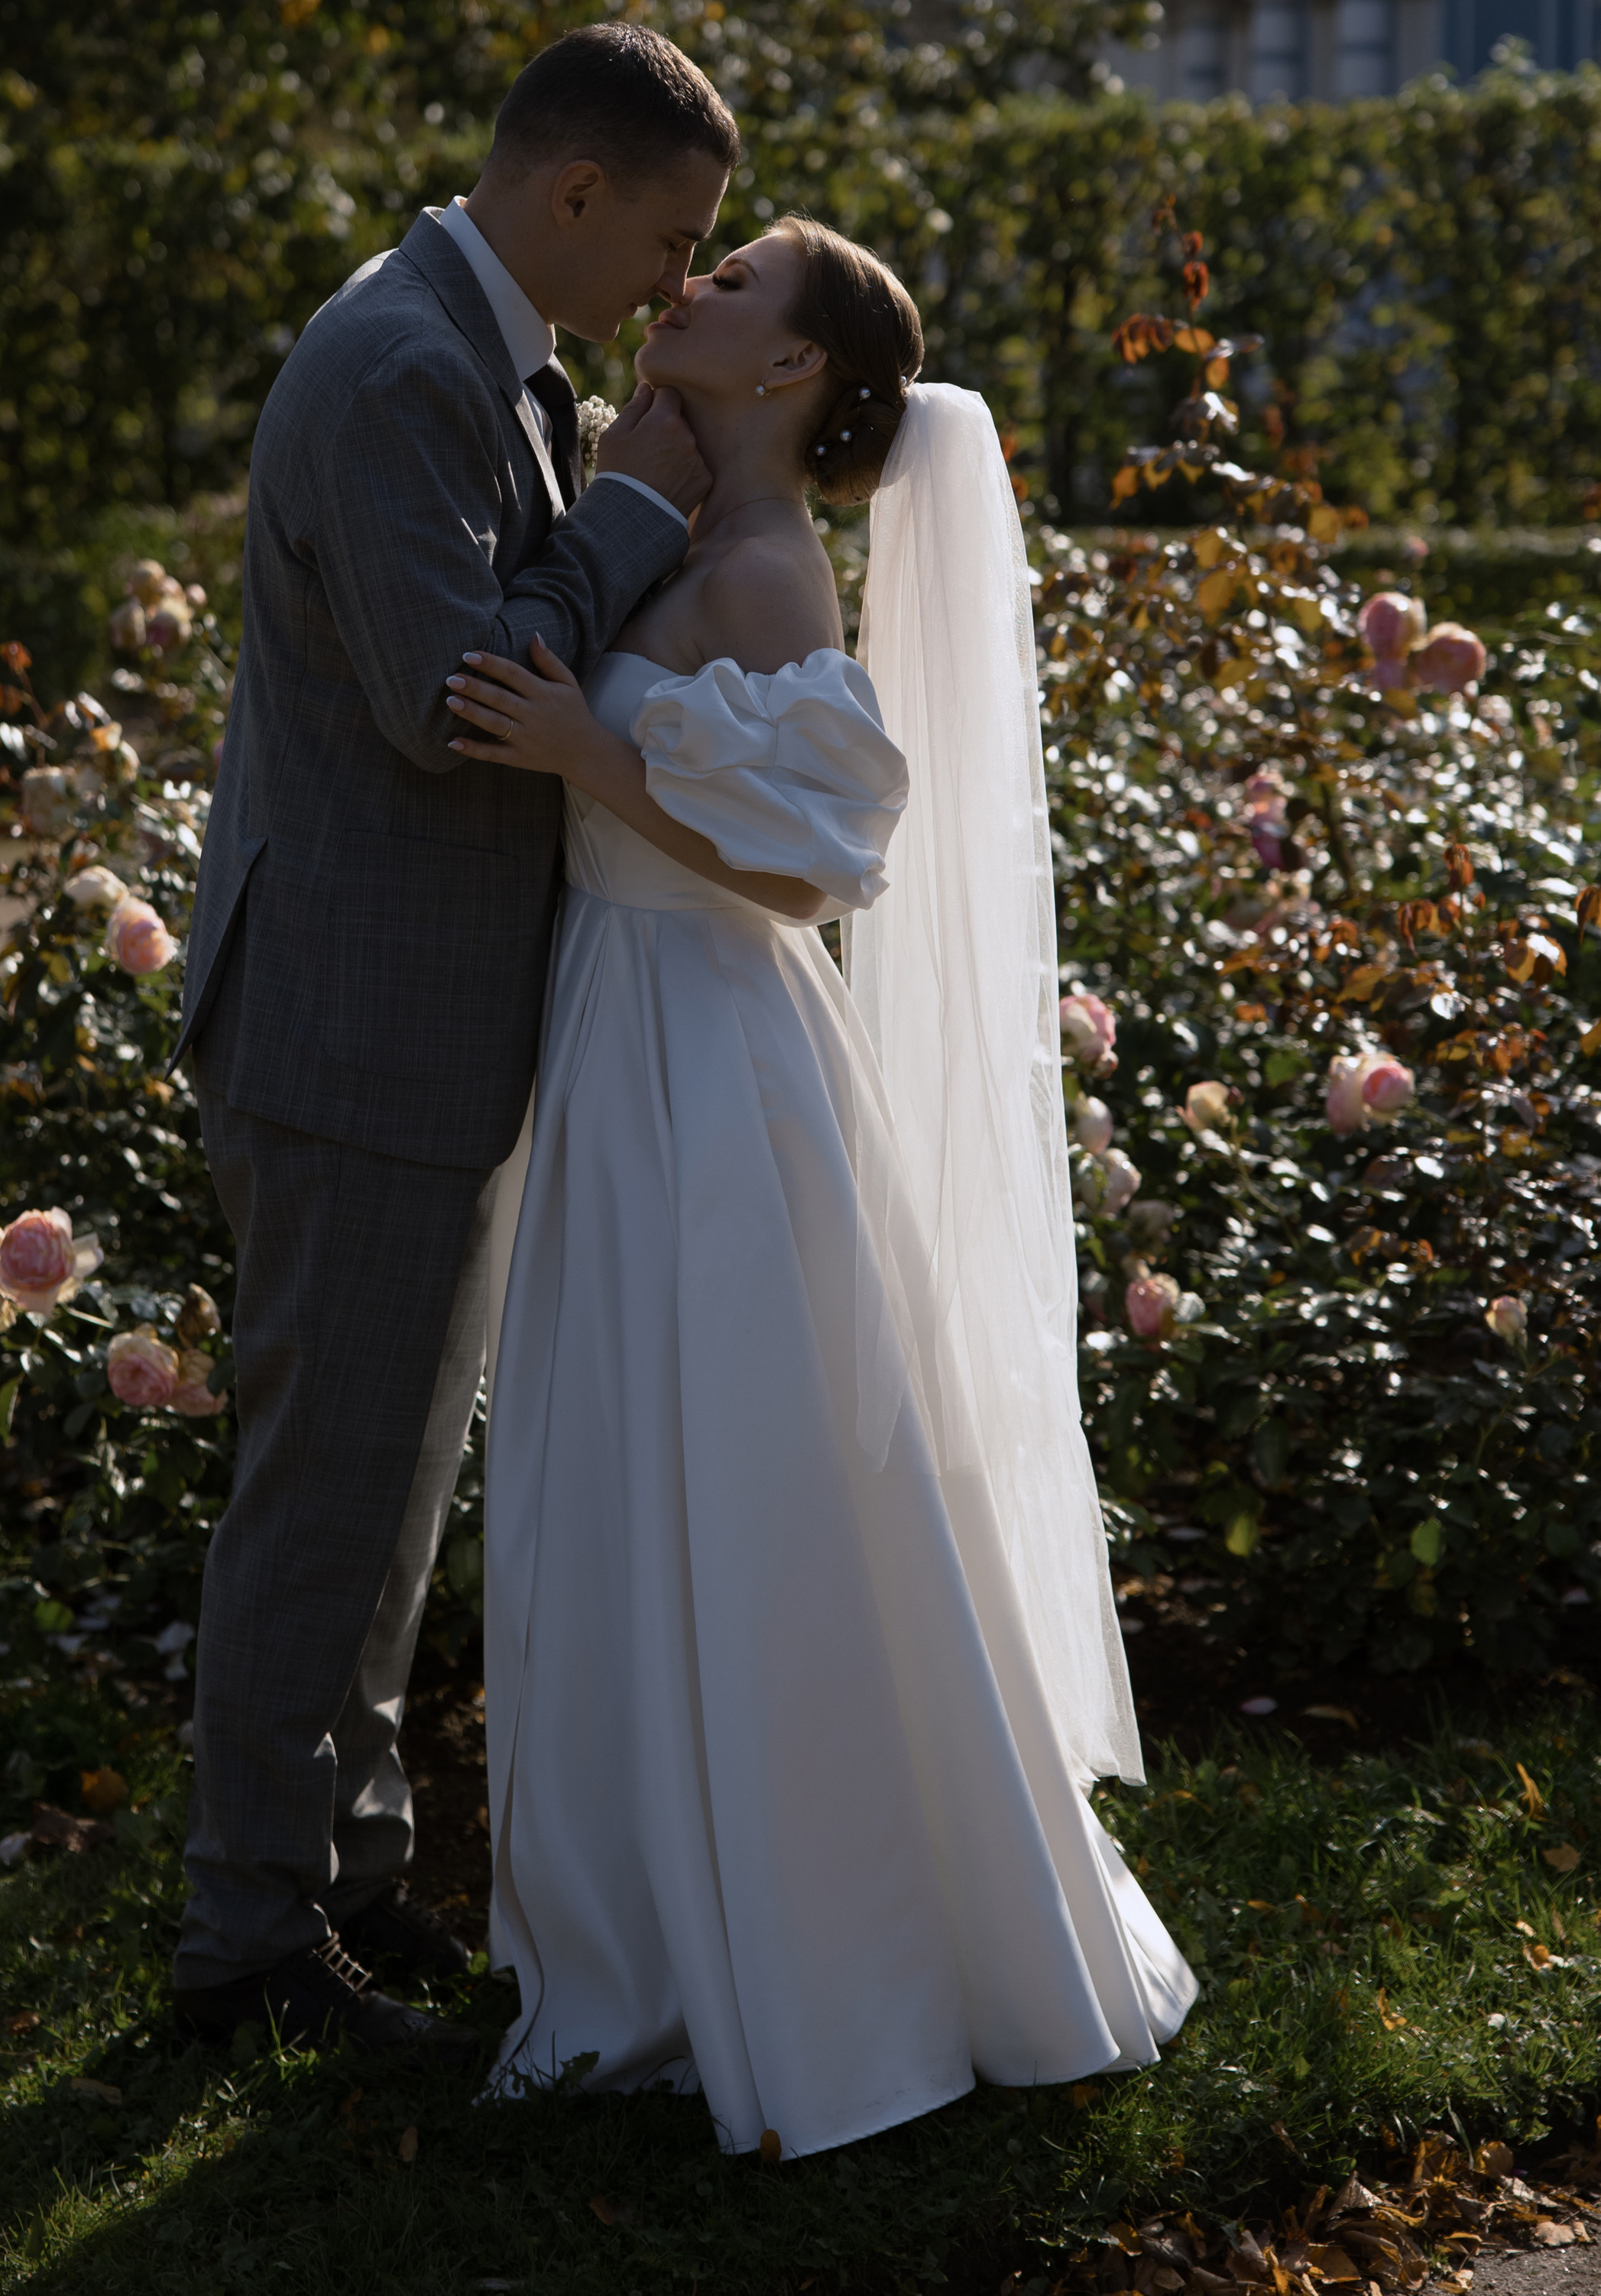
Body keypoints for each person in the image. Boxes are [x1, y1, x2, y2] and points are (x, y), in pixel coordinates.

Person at [445, 217, 1196, 2156]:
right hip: (632, 1030)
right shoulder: (693, 528)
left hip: (714, 1058)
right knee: (624, 1480)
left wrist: (584, 764)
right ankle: (641, 1931)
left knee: (742, 1482)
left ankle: (802, 1947)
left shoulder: (773, 572)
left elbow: (815, 864)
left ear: (790, 372)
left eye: (735, 284)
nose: (687, 287)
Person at [170, 25, 740, 2058]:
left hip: (401, 1020)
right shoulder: (408, 364)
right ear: (572, 193)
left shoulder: (477, 345)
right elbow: (460, 694)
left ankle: (348, 1882)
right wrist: (642, 514)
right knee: (327, 1497)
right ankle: (247, 1949)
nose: (685, 284)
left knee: (389, 1497)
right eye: (675, 237)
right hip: (353, 1034)